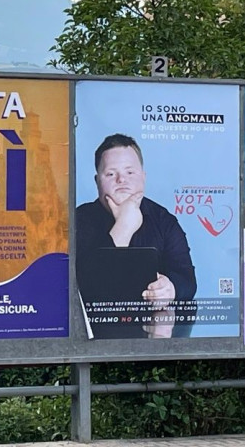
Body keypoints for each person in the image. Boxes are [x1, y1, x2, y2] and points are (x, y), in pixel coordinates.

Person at [76, 133, 197, 338]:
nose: (121, 180)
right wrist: (124, 226)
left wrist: (170, 289)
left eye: (130, 172)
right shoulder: (79, 220)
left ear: (143, 176)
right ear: (97, 181)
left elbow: (187, 278)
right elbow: (84, 287)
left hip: (153, 338)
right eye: (110, 174)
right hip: (95, 340)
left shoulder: (164, 221)